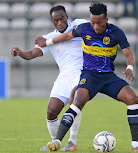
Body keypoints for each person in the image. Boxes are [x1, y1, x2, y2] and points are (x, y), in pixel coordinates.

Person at [35, 3, 138, 152]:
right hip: (89, 75)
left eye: (99, 23)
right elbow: (66, 36)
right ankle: (57, 142)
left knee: (133, 100)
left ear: (106, 19)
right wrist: (46, 42)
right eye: (93, 22)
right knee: (77, 101)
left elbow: (129, 55)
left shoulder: (116, 32)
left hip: (108, 77)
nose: (96, 26)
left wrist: (129, 67)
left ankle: (136, 145)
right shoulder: (84, 28)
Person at [11, 5, 88, 151]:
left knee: (74, 99)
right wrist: (20, 52)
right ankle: (55, 142)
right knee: (51, 111)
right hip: (64, 75)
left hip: (82, 72)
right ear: (52, 21)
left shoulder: (78, 24)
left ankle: (72, 142)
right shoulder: (48, 38)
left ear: (67, 17)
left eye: (62, 18)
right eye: (56, 20)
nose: (60, 22)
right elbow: (32, 54)